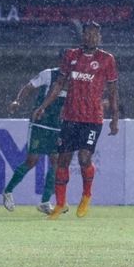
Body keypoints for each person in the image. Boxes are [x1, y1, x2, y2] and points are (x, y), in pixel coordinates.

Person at [33, 22, 119, 220]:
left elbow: (113, 93)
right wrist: (43, 107)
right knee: (62, 160)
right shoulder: (71, 56)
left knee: (84, 159)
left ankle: (86, 195)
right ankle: (60, 204)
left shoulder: (107, 60)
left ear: (100, 37)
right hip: (70, 117)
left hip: (92, 119)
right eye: (88, 34)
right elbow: (58, 85)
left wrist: (115, 118)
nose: (91, 37)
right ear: (83, 36)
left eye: (95, 34)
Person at [3, 59, 67, 215]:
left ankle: (45, 202)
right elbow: (29, 87)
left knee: (56, 162)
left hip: (57, 126)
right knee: (32, 161)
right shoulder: (48, 74)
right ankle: (8, 191)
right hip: (40, 123)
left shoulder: (74, 80)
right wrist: (18, 101)